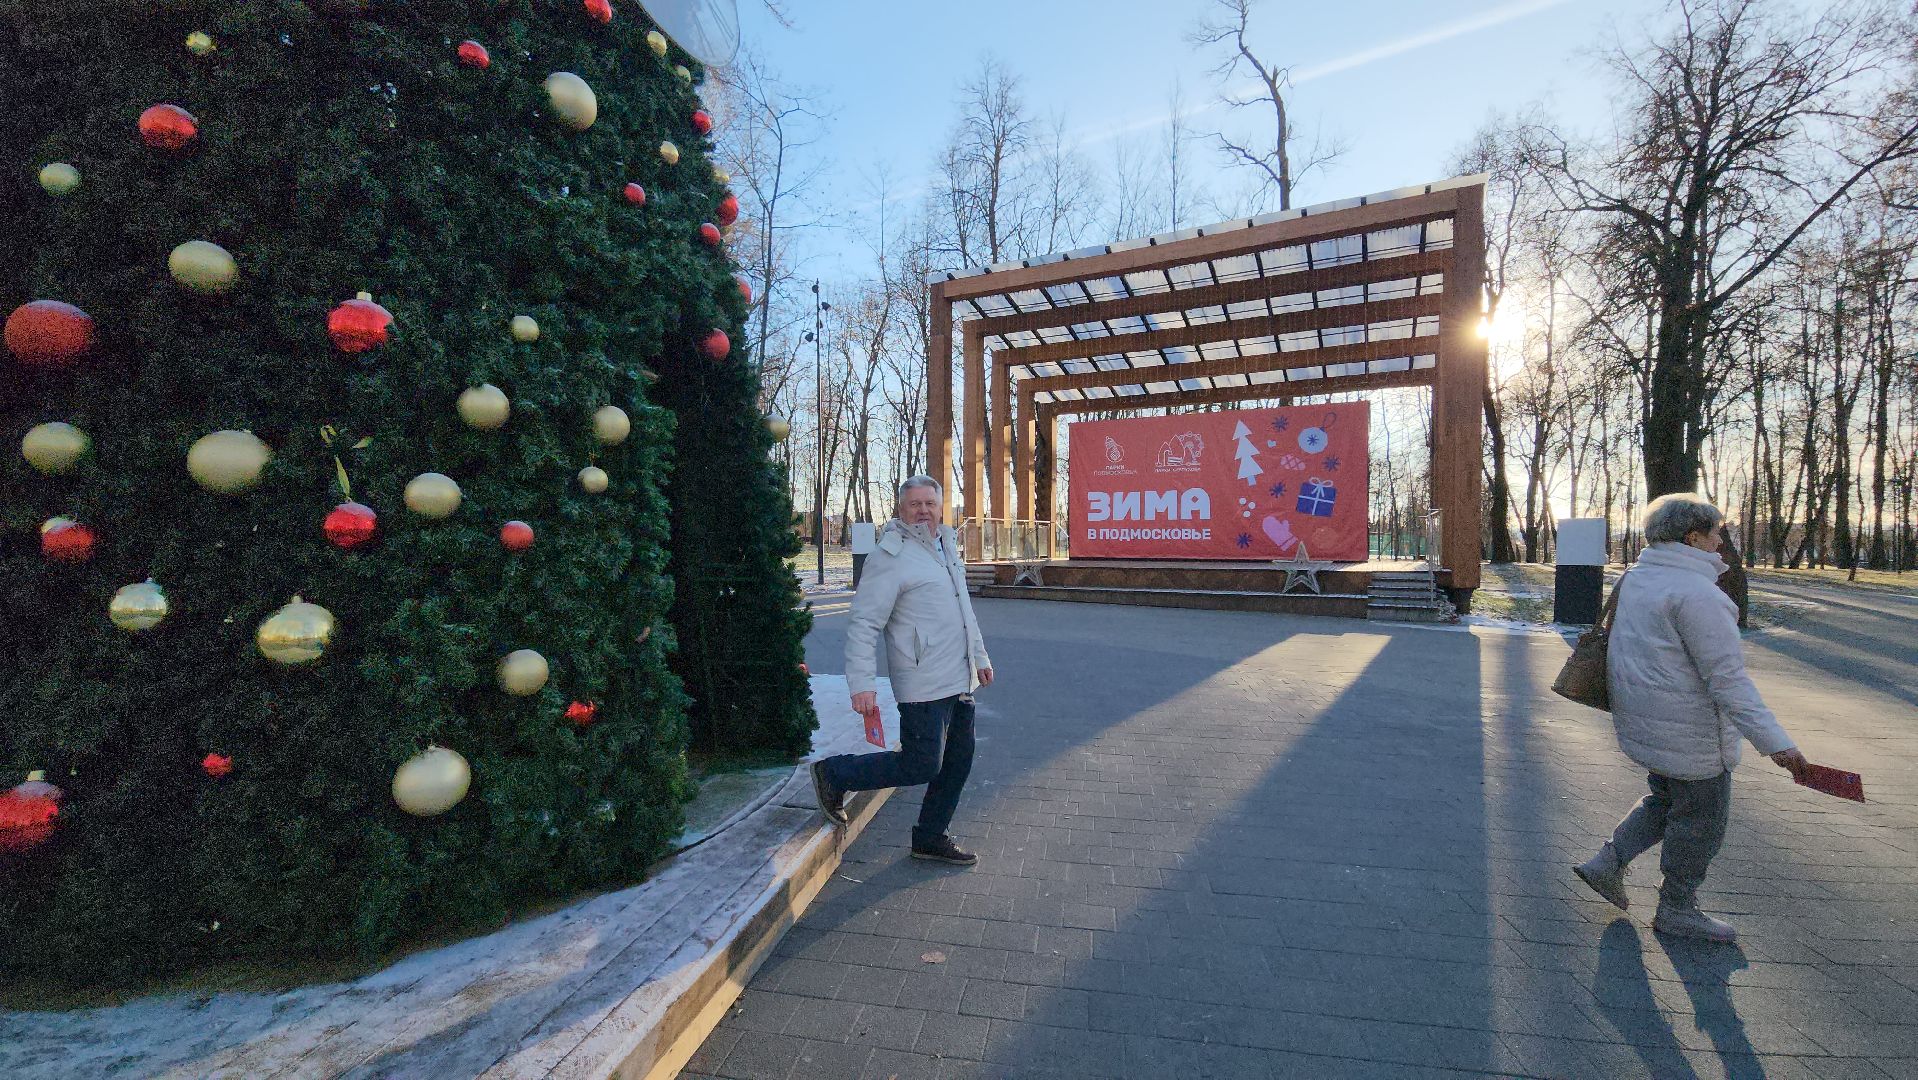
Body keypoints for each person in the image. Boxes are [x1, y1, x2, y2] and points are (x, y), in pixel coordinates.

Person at [1573, 493, 1807, 942]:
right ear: (1692, 536)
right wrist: (1777, 743)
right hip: (1692, 733)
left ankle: (1607, 862)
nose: (1722, 542)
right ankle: (1678, 908)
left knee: (1664, 800)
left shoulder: (1637, 579)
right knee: (1702, 821)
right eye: (1717, 532)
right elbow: (1729, 682)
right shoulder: (1698, 595)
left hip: (1646, 721)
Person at [810, 476, 993, 866]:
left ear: (941, 507)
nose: (923, 511)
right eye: (915, 504)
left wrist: (980, 657)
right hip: (922, 680)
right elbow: (863, 623)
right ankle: (835, 773)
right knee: (922, 763)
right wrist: (860, 684)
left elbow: (964, 612)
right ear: (901, 509)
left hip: (959, 678)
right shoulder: (890, 555)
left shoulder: (945, 546)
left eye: (930, 503)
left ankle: (930, 836)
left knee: (958, 761)